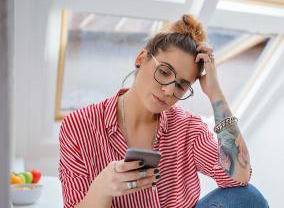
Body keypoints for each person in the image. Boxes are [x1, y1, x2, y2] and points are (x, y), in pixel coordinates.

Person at [58, 14, 269, 208]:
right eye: (164, 72)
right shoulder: (79, 125)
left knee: (248, 197)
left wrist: (216, 94)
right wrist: (103, 187)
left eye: (180, 85)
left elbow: (239, 177)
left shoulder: (188, 128)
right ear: (142, 58)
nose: (169, 90)